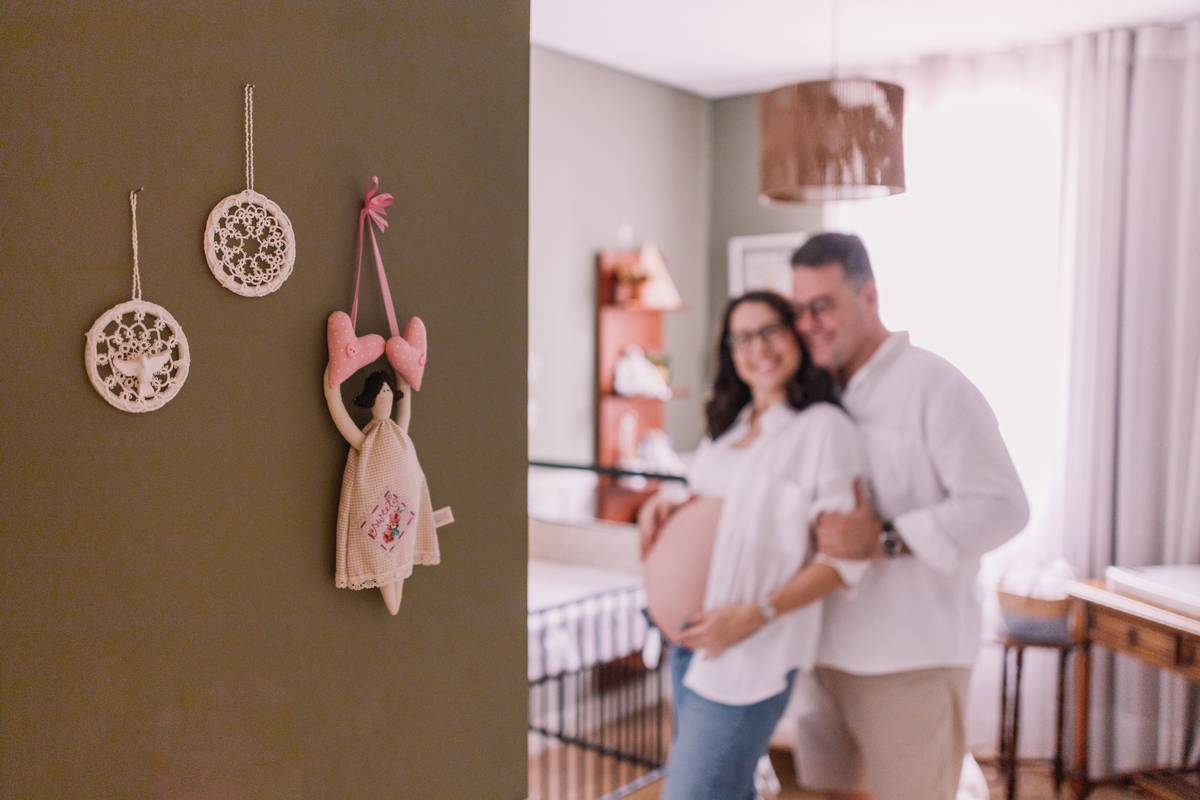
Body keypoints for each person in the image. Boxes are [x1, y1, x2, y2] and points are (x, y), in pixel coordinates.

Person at [788, 233, 1029, 800]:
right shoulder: (814, 396)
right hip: (821, 650)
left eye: (822, 306)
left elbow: (1004, 507)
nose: (807, 324)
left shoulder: (935, 386)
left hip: (909, 659)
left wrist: (886, 538)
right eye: (798, 310)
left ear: (868, 297)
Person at [638, 291, 872, 800]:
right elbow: (708, 497)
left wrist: (752, 616)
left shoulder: (823, 430)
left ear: (795, 337)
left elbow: (843, 563)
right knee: (727, 789)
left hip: (752, 647)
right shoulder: (729, 429)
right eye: (742, 337)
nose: (757, 347)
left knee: (693, 793)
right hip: (688, 647)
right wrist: (664, 504)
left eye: (770, 331)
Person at [324, 367, 439, 615]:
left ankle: (395, 587)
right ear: (371, 400)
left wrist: (402, 369)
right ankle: (390, 589)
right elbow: (339, 413)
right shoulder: (367, 441)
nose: (385, 397)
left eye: (388, 391)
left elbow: (405, 406)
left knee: (400, 545)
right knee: (383, 549)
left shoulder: (398, 435)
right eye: (381, 392)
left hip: (402, 505)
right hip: (380, 511)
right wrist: (330, 377)